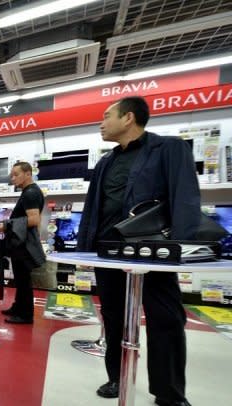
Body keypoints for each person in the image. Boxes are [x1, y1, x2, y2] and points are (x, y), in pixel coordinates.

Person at [77, 96, 200, 406]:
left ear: (128, 118)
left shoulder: (169, 149)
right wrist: (84, 252)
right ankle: (117, 377)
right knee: (114, 317)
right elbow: (93, 208)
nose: (101, 123)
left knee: (167, 318)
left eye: (106, 116)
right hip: (108, 254)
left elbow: (185, 197)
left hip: (153, 252)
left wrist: (183, 248)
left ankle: (169, 391)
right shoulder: (106, 161)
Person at [0, 161, 45, 324]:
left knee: (23, 280)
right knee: (20, 279)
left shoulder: (30, 193)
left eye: (16, 175)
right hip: (22, 243)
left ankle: (25, 315)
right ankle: (18, 307)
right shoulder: (30, 191)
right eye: (12, 175)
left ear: (28, 174)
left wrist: (6, 226)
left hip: (23, 245)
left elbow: (33, 220)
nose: (13, 178)